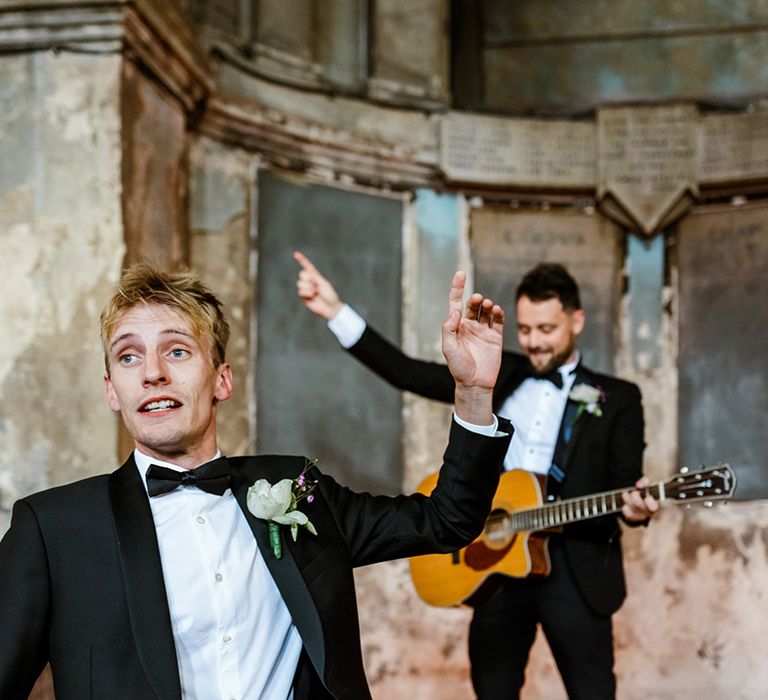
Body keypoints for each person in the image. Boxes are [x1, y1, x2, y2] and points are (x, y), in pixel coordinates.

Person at [0, 263, 512, 700]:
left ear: (222, 379)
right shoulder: (53, 529)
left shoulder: (297, 487)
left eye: (177, 351)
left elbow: (447, 520)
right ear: (113, 390)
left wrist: (471, 393)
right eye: (129, 356)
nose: (152, 372)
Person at [295, 251, 659, 700]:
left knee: (593, 691)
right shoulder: (496, 370)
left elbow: (628, 485)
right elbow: (407, 373)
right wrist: (336, 312)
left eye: (547, 330)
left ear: (576, 320)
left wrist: (638, 509)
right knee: (492, 689)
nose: (535, 342)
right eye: (525, 330)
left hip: (577, 569)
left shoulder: (620, 397)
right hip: (496, 565)